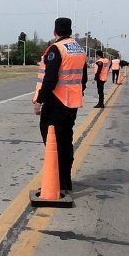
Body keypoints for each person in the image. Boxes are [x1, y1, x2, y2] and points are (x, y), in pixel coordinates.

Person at [33, 17, 87, 192]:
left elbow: (50, 80)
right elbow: (83, 78)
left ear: (55, 31)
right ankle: (65, 182)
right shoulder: (79, 49)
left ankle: (55, 182)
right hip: (71, 103)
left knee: (52, 143)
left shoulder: (56, 49)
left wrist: (39, 101)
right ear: (70, 30)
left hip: (56, 102)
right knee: (65, 142)